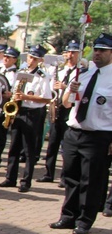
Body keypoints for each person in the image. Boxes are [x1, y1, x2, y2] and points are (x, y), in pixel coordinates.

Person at [50, 33, 112, 234]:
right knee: (70, 177)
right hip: (74, 131)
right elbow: (67, 103)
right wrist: (70, 91)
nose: (97, 54)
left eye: (103, 50)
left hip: (98, 135)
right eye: (96, 49)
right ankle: (68, 216)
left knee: (91, 180)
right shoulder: (83, 73)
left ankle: (85, 220)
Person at [0, 44, 51, 193]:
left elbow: (46, 98)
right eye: (29, 57)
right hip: (19, 111)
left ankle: (26, 181)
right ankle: (10, 178)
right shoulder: (22, 72)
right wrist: (12, 96)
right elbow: (16, 90)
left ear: (39, 59)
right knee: (14, 147)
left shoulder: (42, 76)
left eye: (34, 58)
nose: (31, 60)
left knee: (28, 149)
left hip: (33, 114)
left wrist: (26, 97)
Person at [39, 40, 80, 184]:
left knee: (66, 147)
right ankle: (49, 173)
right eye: (69, 52)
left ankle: (64, 176)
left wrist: (64, 86)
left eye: (74, 52)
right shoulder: (60, 70)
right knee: (52, 144)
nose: (70, 55)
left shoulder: (80, 72)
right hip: (56, 109)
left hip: (69, 110)